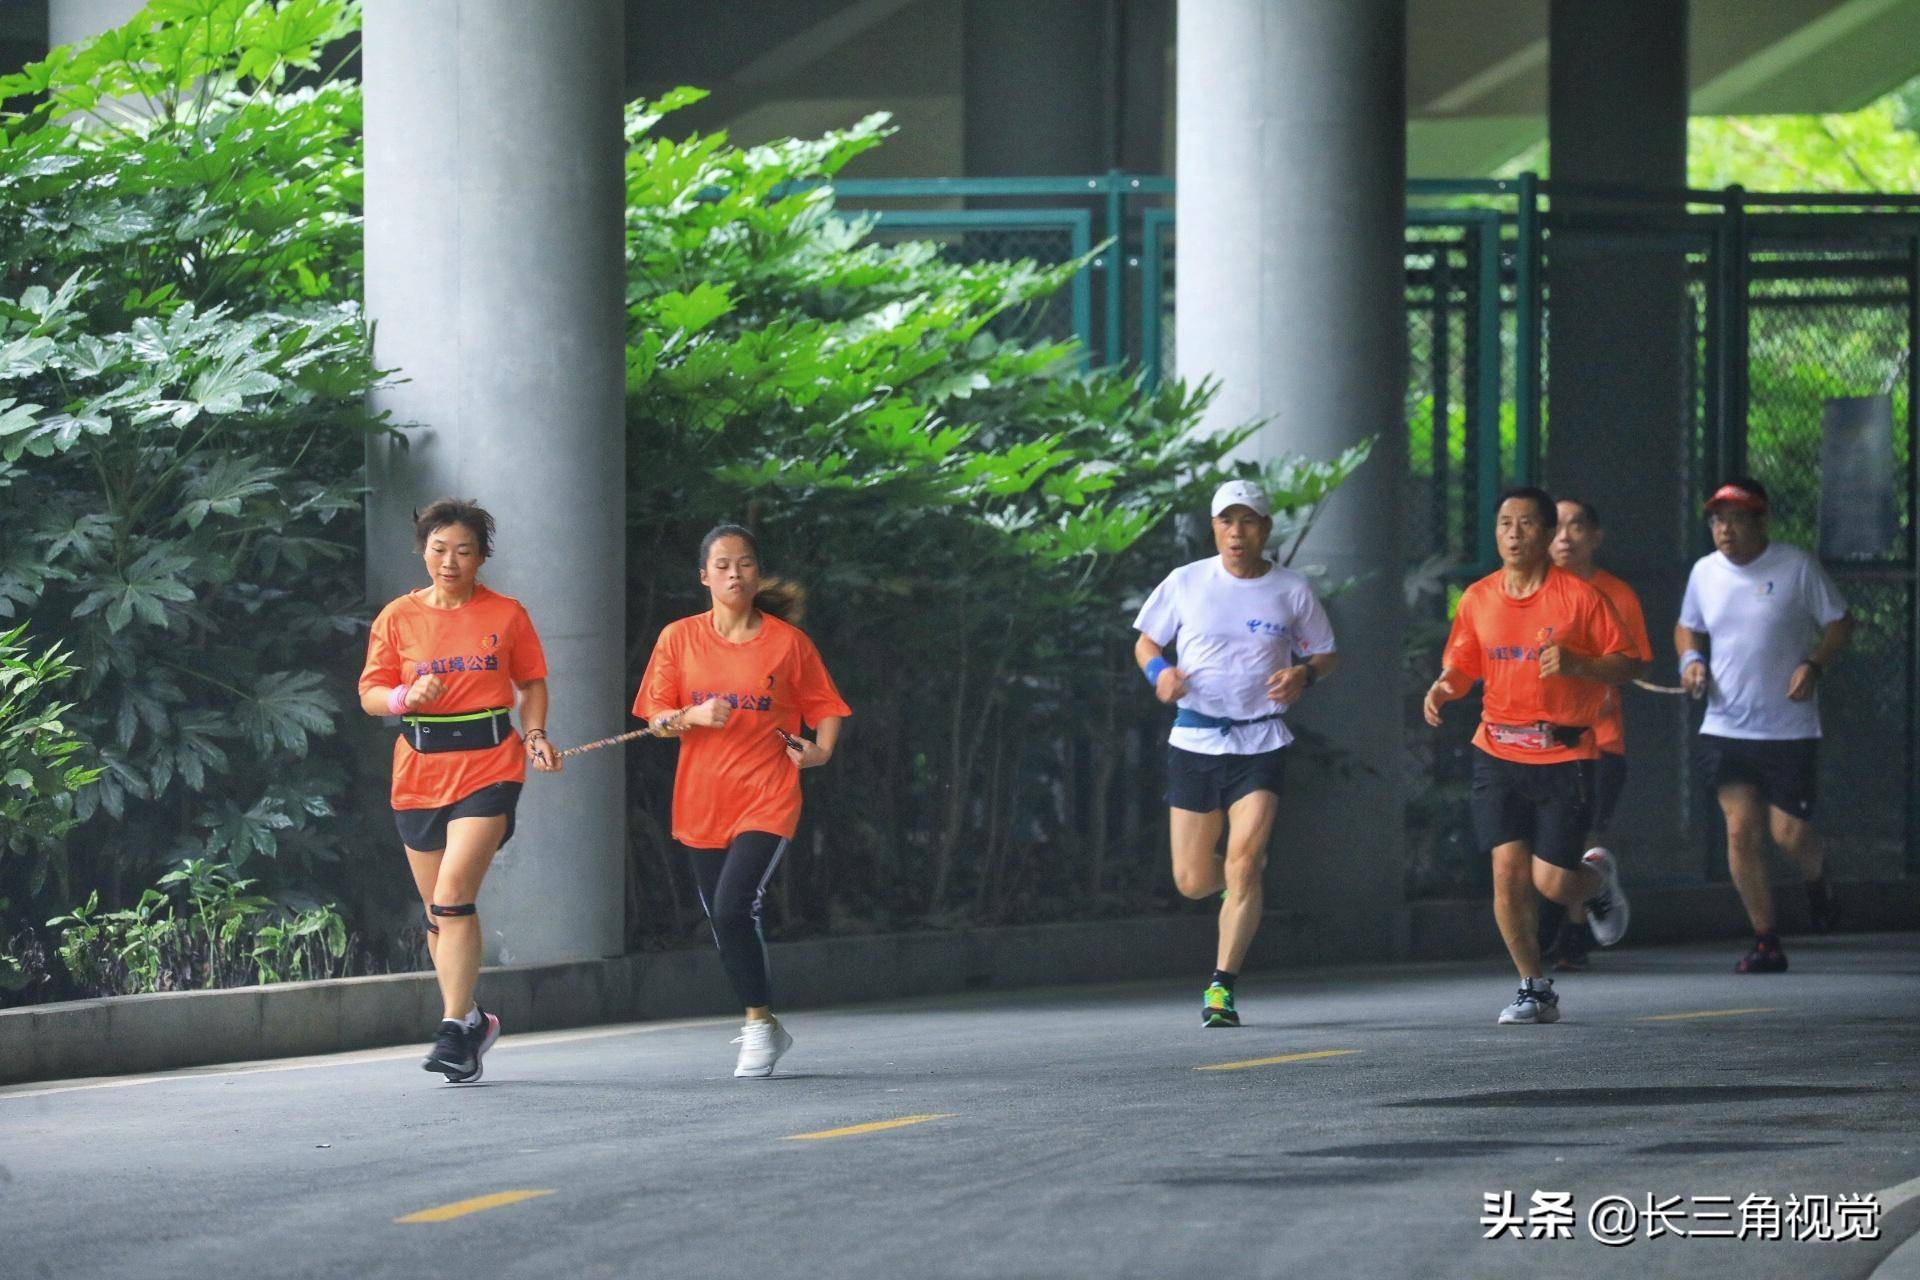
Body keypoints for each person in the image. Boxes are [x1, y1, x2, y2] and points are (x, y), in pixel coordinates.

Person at [634, 524, 849, 1077]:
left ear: (757, 573)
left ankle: (756, 1027)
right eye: (723, 564)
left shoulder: (787, 643)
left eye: (746, 563)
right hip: (702, 800)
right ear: (704, 576)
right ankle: (766, 1022)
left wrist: (820, 752)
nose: (735, 573)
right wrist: (689, 715)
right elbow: (655, 719)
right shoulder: (677, 638)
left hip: (768, 794)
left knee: (734, 906)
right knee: (722, 919)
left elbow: (823, 704)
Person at [1425, 487, 1645, 1025]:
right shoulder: (1478, 597)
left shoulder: (1581, 599)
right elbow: (1464, 661)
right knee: (1506, 872)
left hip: (1565, 754)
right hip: (1496, 749)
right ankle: (1533, 986)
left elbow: (1627, 663)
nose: (1514, 533)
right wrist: (1445, 687)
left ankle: (1595, 881)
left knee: (1552, 882)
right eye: (1504, 523)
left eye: (1526, 524)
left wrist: (1578, 664)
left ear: (1549, 536)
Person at [358, 499, 561, 1083]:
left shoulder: (506, 614)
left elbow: (531, 682)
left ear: (481, 557)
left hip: (491, 764)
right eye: (439, 548)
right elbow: (371, 693)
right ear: (423, 551)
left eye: (464, 551)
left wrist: (538, 733)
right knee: (435, 915)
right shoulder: (397, 617)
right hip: (419, 769)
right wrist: (404, 699)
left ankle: (451, 1031)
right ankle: (473, 1019)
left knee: (452, 898)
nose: (450, 561)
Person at [1133, 479, 1340, 1028]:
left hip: (1261, 740)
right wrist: (1162, 674)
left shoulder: (1290, 590)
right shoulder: (1186, 582)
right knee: (1194, 881)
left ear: (1266, 530)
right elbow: (1146, 642)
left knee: (1245, 864)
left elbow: (1325, 653)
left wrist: (1303, 674)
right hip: (1195, 740)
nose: (1237, 531)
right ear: (1214, 528)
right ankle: (1239, 881)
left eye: (1248, 521)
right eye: (1227, 521)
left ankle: (1221, 988)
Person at [1677, 477, 1853, 973]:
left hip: (1788, 728)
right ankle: (1766, 940)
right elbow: (1687, 624)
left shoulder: (1796, 567)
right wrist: (1690, 659)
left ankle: (1817, 879)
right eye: (1716, 519)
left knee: (1789, 834)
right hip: (1726, 725)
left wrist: (1814, 665)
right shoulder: (1704, 573)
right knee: (1740, 832)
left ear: (1760, 520)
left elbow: (1841, 621)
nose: (1723, 529)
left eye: (1734, 518)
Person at [1535, 498, 1653, 972]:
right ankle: (1560, 929)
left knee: (1574, 835)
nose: (1565, 536)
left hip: (1598, 740)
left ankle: (1572, 932)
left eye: (1577, 526)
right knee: (1544, 841)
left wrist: (1584, 668)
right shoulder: (1529, 591)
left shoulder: (1615, 594)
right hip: (1535, 741)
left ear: (1595, 536)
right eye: (1557, 527)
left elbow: (1633, 661)